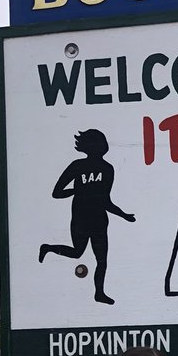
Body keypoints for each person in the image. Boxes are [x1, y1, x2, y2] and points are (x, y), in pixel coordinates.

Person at [38, 129, 135, 305]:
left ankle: (99, 293)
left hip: (99, 220)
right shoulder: (77, 166)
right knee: (77, 253)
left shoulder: (108, 169)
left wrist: (124, 215)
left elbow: (106, 200)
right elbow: (57, 192)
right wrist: (77, 190)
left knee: (102, 260)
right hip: (80, 219)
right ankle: (48, 248)